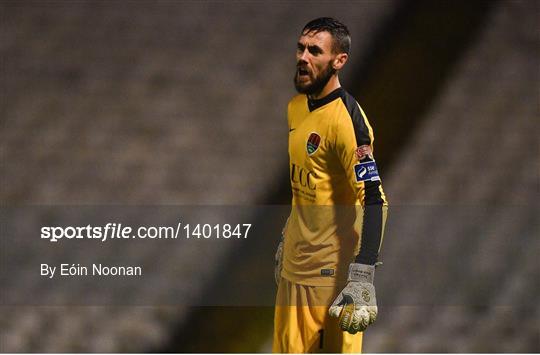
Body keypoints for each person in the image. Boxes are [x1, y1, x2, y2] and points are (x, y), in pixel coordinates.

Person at [273, 17, 388, 353]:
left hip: (332, 280)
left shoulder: (348, 122)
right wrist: (286, 237)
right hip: (294, 272)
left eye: (314, 51)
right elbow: (307, 188)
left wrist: (363, 273)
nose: (303, 57)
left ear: (339, 61)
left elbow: (374, 198)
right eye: (301, 48)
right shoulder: (296, 108)